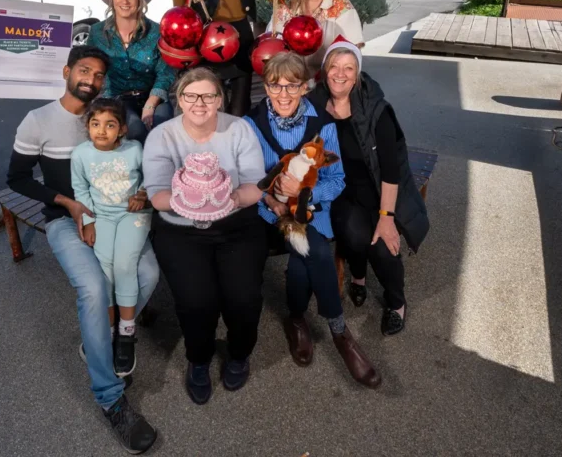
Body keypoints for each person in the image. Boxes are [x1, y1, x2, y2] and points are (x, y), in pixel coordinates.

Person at [6, 46, 158, 454]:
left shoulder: (112, 118)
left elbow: (141, 166)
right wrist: (68, 204)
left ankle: (101, 339)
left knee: (147, 275)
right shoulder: (37, 120)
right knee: (93, 287)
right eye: (84, 70)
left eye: (98, 73)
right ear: (67, 71)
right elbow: (17, 179)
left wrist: (144, 190)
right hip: (64, 220)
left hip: (118, 217)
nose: (91, 78)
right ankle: (111, 399)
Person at [245, 51, 380, 388]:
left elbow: (338, 180)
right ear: (266, 87)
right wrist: (274, 198)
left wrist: (307, 191)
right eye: (276, 87)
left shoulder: (323, 125)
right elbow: (245, 178)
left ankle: (301, 321)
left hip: (310, 211)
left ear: (305, 87)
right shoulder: (251, 124)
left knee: (309, 253)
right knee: (314, 253)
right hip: (268, 212)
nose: (284, 95)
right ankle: (339, 332)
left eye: (293, 86)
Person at [142, 67, 268, 405]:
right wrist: (192, 204)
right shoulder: (162, 135)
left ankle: (239, 354)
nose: (200, 102)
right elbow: (156, 193)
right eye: (191, 95)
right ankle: (199, 359)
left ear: (220, 98)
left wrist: (231, 200)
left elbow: (256, 183)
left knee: (243, 299)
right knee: (197, 302)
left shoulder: (238, 128)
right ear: (179, 99)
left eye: (209, 95)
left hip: (236, 225)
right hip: (180, 229)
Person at [310, 39, 429, 336]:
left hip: (375, 189)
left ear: (358, 73)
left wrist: (387, 217)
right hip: (336, 190)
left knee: (382, 246)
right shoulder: (312, 103)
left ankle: (396, 302)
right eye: (334, 66)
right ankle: (359, 277)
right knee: (353, 232)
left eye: (348, 68)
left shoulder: (376, 110)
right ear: (325, 70)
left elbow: (391, 170)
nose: (340, 73)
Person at [70, 98, 152, 378]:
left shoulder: (135, 149)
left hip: (132, 215)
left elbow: (149, 177)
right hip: (101, 216)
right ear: (87, 127)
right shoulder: (80, 154)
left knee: (125, 265)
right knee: (104, 269)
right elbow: (80, 190)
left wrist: (142, 193)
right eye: (95, 124)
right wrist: (88, 221)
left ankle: (127, 333)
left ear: (122, 130)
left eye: (109, 125)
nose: (101, 131)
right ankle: (107, 333)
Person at [89, 0, 176, 143]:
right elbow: (90, 68)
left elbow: (165, 72)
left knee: (161, 127)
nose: (125, 1)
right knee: (134, 129)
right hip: (116, 99)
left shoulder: (157, 32)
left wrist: (151, 104)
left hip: (153, 95)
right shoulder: (96, 33)